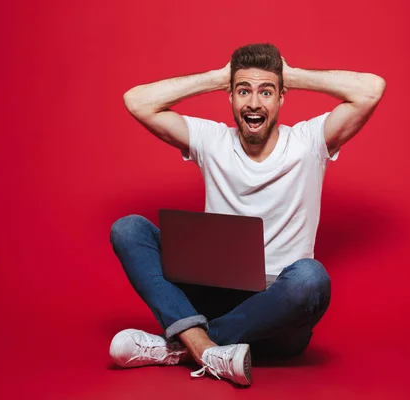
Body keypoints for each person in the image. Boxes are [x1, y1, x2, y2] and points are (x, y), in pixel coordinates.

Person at [109, 43, 385, 386]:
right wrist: (217, 77)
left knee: (310, 278)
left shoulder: (308, 141)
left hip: (278, 312)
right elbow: (137, 101)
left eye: (266, 92)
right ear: (230, 98)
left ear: (282, 98)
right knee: (128, 229)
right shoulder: (211, 140)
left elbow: (371, 90)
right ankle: (209, 348)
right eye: (243, 91)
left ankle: (182, 346)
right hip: (214, 295)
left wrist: (292, 74)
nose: (254, 102)